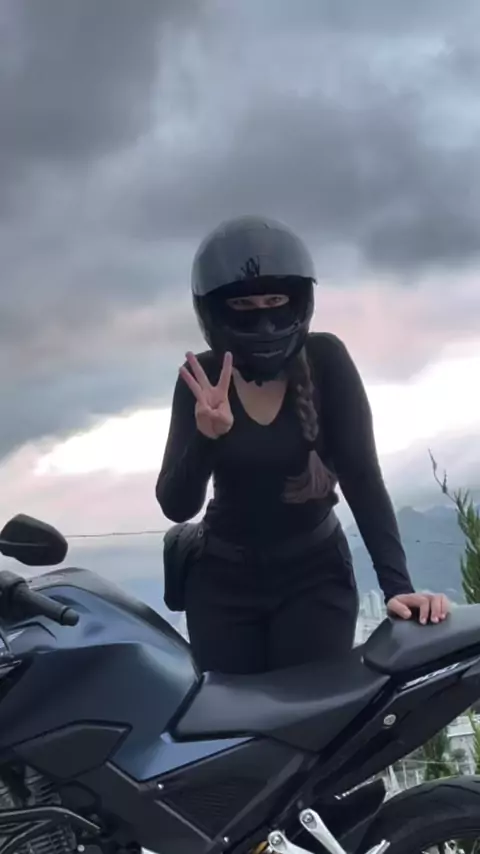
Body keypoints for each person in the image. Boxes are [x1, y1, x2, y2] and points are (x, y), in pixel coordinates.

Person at [156, 215, 449, 675]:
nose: (264, 319)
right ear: (215, 310)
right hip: (221, 581)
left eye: (275, 301)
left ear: (298, 301)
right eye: (243, 304)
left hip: (314, 576)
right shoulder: (201, 378)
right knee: (233, 716)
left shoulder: (327, 360)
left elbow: (362, 478)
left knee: (316, 710)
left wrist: (398, 588)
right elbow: (176, 505)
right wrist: (207, 438)